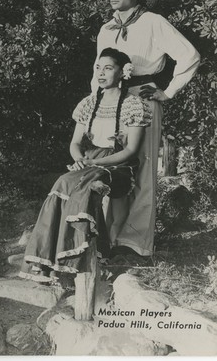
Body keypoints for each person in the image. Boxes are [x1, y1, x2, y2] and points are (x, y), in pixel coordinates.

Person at [91, 0, 200, 257]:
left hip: (143, 100)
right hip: (111, 104)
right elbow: (97, 73)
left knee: (142, 171)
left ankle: (136, 245)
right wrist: (96, 107)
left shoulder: (153, 23)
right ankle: (106, 240)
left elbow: (189, 56)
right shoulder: (106, 30)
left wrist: (167, 91)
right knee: (111, 167)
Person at [19, 47, 152, 284]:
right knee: (62, 182)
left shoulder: (134, 105)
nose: (101, 73)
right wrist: (79, 158)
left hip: (118, 166)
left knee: (83, 187)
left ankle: (77, 258)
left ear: (123, 72)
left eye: (108, 68)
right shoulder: (89, 103)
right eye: (98, 68)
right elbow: (75, 143)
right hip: (89, 162)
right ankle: (46, 258)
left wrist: (95, 162)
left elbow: (131, 151)